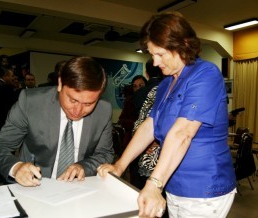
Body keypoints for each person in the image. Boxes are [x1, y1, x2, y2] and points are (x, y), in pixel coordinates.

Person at [98, 12, 236, 218]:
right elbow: (149, 126)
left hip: (205, 186)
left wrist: (154, 184)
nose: (154, 63)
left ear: (184, 44)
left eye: (160, 54)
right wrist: (119, 165)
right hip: (173, 183)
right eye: (152, 55)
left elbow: (183, 133)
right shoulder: (165, 85)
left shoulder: (206, 74)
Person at [0, 56, 114, 187]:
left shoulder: (103, 110)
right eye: (73, 100)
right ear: (60, 84)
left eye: (88, 104)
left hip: (79, 187)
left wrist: (83, 166)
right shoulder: (30, 103)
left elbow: (105, 153)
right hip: (35, 186)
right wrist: (16, 167)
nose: (78, 110)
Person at [129, 59, 163, 189]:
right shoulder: (165, 89)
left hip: (142, 144)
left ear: (147, 73)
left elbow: (140, 122)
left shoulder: (140, 94)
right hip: (156, 145)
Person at [117, 75, 147, 150]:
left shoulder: (151, 101)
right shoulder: (129, 101)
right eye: (135, 86)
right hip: (130, 141)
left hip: (147, 141)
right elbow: (121, 120)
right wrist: (135, 124)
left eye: (141, 86)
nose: (138, 89)